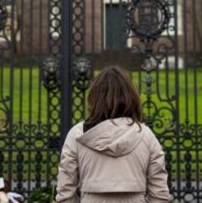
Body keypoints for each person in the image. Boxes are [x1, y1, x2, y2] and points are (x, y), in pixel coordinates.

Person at [56, 66, 171, 203]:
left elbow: (66, 191)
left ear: (95, 97)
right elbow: (159, 193)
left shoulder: (78, 134)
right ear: (131, 96)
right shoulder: (145, 135)